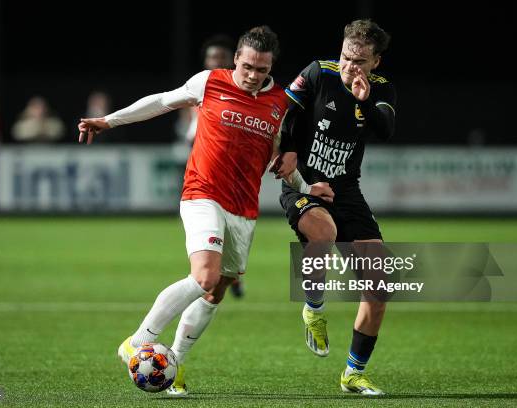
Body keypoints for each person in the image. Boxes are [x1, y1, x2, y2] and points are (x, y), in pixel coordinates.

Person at [77, 26, 333, 396]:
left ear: (270, 67)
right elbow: (162, 101)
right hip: (203, 194)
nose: (252, 75)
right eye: (247, 66)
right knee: (204, 277)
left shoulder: (280, 103)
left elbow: (283, 162)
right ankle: (138, 340)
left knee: (216, 291)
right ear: (236, 60)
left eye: (261, 70)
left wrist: (308, 189)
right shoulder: (210, 82)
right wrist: (109, 121)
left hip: (243, 209)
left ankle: (174, 363)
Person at [274, 19, 395, 395]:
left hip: (347, 190)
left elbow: (386, 129)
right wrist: (288, 149)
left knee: (379, 287)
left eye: (360, 61)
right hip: (305, 185)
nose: (350, 66)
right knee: (322, 232)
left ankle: (353, 374)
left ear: (375, 62)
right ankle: (313, 307)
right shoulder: (317, 72)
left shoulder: (380, 90)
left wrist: (363, 103)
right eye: (346, 57)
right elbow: (285, 111)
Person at [175, 34, 246, 299]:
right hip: (205, 175)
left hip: (238, 178)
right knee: (208, 237)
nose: (216, 62)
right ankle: (212, 274)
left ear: (233, 60)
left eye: (221, 57)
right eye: (212, 57)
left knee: (230, 237)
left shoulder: (245, 91)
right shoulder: (199, 88)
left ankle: (227, 275)